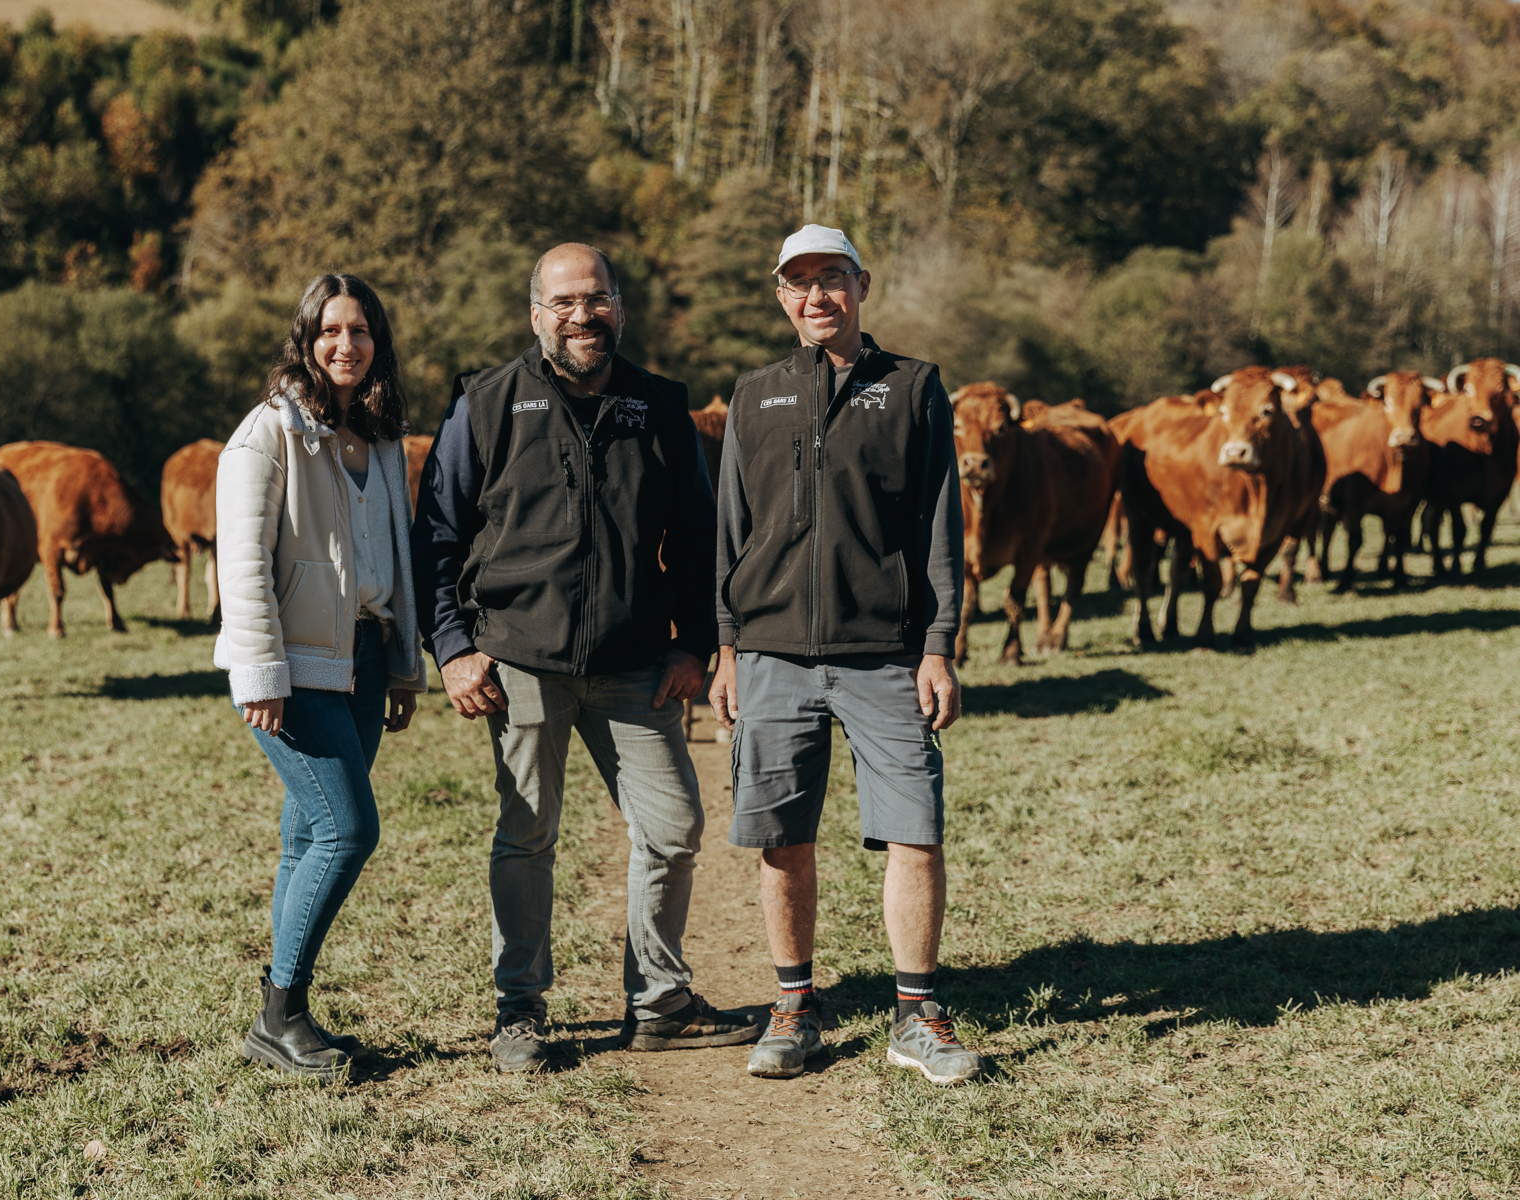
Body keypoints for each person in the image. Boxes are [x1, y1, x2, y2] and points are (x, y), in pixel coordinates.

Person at [413, 242, 760, 1073]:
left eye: (596, 298)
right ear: (536, 313)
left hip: (635, 661)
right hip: (518, 661)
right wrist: (455, 649)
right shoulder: (486, 404)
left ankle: (659, 1001)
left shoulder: (659, 405)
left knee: (673, 827)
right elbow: (435, 534)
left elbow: (701, 534)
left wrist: (691, 641)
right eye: (564, 302)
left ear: (619, 307)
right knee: (527, 834)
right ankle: (520, 1011)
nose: (582, 315)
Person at [708, 224, 988, 1084]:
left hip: (884, 656)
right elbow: (730, 531)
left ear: (863, 286)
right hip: (771, 654)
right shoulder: (754, 396)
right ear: (781, 296)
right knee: (783, 838)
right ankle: (794, 1004)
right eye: (801, 283)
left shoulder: (913, 388)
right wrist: (726, 646)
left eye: (833, 279)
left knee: (915, 832)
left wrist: (937, 646)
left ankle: (916, 1013)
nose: (818, 296)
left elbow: (939, 526)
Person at [214, 274, 427, 1079]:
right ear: (305, 340)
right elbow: (242, 566)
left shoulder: (377, 435)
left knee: (308, 834)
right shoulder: (268, 433)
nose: (347, 345)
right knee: (348, 829)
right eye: (331, 330)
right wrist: (260, 671)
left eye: (362, 331)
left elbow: (392, 558)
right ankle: (279, 1011)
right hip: (294, 669)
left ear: (380, 345)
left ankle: (287, 1014)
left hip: (364, 657)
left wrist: (404, 665)